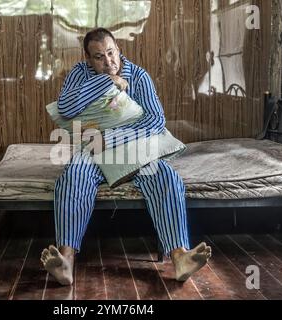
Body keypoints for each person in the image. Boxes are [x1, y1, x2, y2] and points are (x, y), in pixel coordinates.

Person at [41, 28, 211, 286]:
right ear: (89, 59)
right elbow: (65, 107)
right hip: (93, 149)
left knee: (164, 174)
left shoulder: (139, 76)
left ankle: (180, 258)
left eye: (111, 53)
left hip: (132, 146)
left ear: (118, 49)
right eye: (99, 57)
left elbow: (156, 120)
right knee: (74, 172)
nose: (108, 61)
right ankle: (66, 262)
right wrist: (107, 81)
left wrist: (113, 138)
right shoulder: (80, 73)